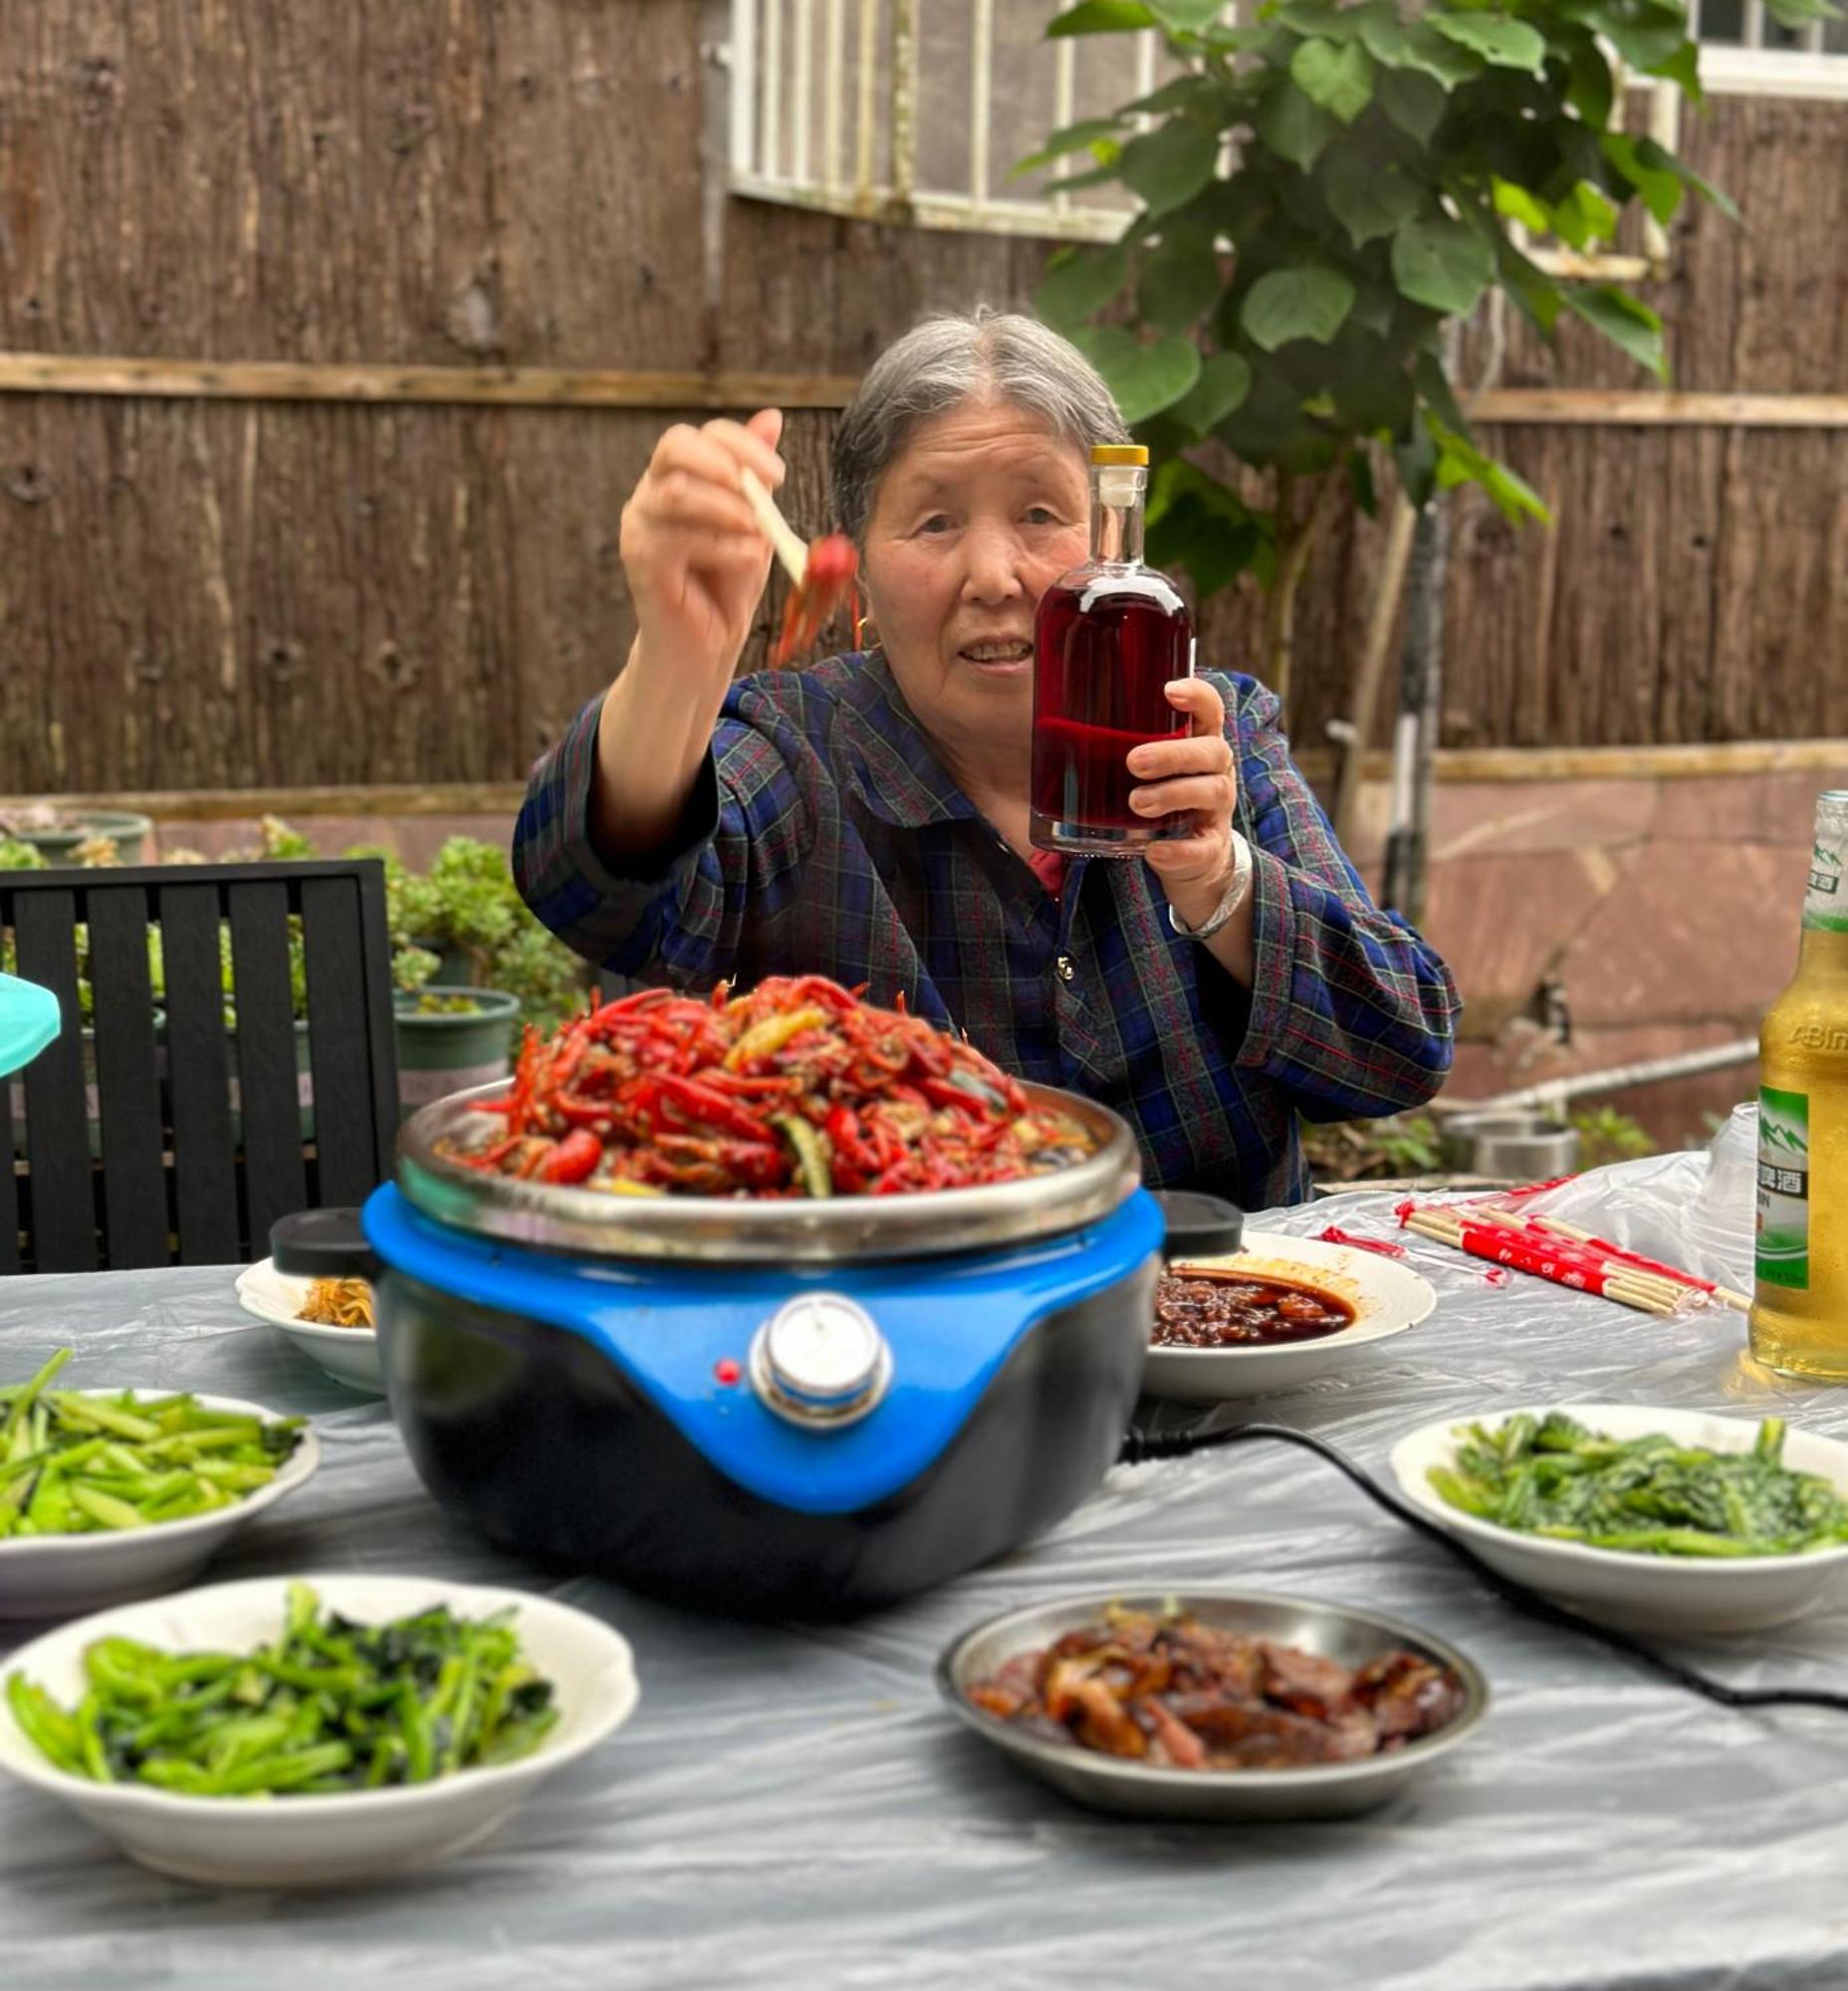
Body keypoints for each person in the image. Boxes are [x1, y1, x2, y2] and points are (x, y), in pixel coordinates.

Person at [513, 310, 1458, 1209]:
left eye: (1042, 514)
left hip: (1229, 1326)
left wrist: (1220, 880)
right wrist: (675, 661)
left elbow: (1400, 1049)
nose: (995, 577)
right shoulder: (795, 754)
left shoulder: (1211, 735)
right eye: (934, 524)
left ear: (1109, 541)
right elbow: (590, 894)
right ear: (863, 579)